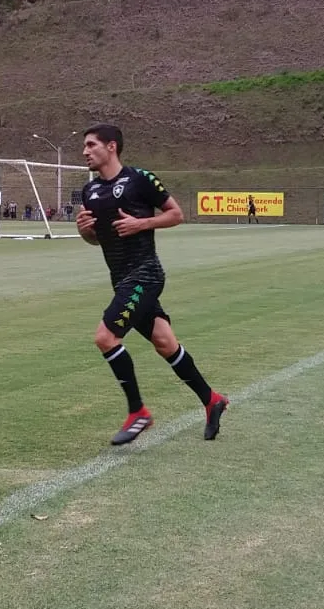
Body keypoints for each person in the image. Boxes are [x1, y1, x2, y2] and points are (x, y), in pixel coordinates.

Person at [75, 123, 228, 446]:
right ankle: (212, 400)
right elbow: (95, 241)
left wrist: (141, 223)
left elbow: (176, 215)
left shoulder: (139, 179)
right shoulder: (90, 192)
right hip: (121, 280)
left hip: (145, 274)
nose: (85, 151)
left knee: (105, 337)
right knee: (164, 342)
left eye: (91, 145)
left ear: (111, 146)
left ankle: (138, 412)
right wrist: (85, 230)